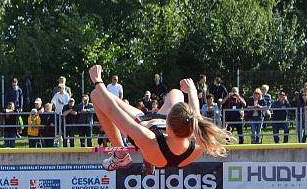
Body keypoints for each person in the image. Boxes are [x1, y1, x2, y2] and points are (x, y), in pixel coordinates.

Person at [86, 65, 233, 172]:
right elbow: (196, 115)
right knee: (176, 93)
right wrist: (192, 91)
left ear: (168, 126)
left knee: (96, 95)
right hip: (161, 129)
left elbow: (113, 110)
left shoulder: (148, 139)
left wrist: (98, 81)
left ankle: (121, 155)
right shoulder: (198, 139)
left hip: (143, 123)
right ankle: (146, 159)